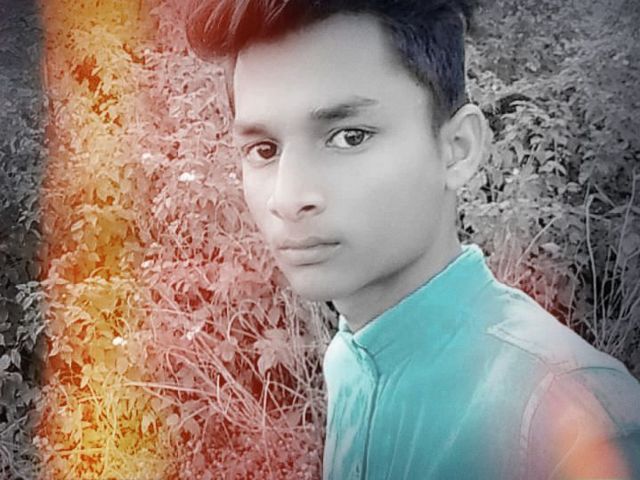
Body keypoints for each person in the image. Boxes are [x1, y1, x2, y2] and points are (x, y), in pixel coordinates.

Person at [185, 1, 640, 478]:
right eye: (263, 150)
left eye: (350, 137)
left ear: (457, 149)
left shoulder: (572, 419)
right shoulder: (350, 357)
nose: (288, 197)